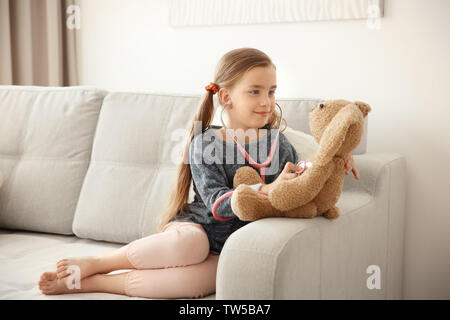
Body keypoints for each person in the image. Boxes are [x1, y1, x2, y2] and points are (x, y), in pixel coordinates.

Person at [38, 47, 359, 299]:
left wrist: (333, 163)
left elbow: (301, 182)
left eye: (272, 91)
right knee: (189, 249)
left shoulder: (280, 142)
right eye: (255, 91)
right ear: (226, 97)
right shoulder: (207, 143)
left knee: (193, 285)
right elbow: (218, 204)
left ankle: (88, 284)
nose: (267, 102)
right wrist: (264, 190)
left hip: (232, 245)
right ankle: (99, 264)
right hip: (198, 230)